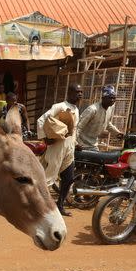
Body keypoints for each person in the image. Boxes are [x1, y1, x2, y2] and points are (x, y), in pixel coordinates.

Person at [37, 83, 83, 216]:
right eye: (77, 92)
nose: (79, 94)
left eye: (81, 92)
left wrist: (75, 143)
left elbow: (73, 130)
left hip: (69, 149)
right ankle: (39, 206)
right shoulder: (59, 106)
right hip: (56, 147)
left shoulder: (76, 109)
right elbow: (41, 120)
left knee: (68, 179)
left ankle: (60, 205)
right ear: (69, 92)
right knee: (48, 179)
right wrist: (44, 138)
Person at [77, 85, 122, 150]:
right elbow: (79, 127)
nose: (112, 100)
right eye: (110, 98)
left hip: (93, 144)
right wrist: (75, 143)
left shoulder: (110, 108)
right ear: (103, 98)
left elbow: (107, 123)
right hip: (81, 145)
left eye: (114, 98)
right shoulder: (92, 109)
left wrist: (117, 133)